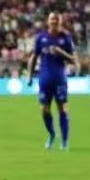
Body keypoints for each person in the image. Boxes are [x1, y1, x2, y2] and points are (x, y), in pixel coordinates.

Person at [26, 12, 76, 150]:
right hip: (44, 80)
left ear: (60, 22)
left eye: (56, 19)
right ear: (48, 21)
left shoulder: (65, 38)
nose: (54, 21)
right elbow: (34, 58)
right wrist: (29, 76)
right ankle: (52, 134)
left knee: (63, 109)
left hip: (60, 80)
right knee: (44, 110)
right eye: (52, 19)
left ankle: (64, 141)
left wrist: (61, 53)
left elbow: (73, 60)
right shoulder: (41, 38)